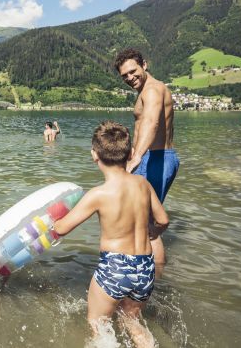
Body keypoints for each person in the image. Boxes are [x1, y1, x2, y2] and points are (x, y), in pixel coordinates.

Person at [54, 121, 169, 347]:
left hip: (115, 267)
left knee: (98, 325)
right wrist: (152, 233)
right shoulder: (143, 184)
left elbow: (62, 228)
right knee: (132, 322)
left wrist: (50, 218)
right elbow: (163, 219)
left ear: (94, 155)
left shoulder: (99, 194)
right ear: (131, 154)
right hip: (145, 267)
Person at [114, 48, 179, 268]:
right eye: (125, 76)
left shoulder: (152, 90)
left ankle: (155, 279)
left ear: (145, 64)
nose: (130, 78)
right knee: (143, 221)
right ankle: (146, 271)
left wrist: (136, 158)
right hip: (155, 157)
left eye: (133, 71)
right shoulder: (149, 89)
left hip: (155, 159)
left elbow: (152, 123)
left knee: (147, 225)